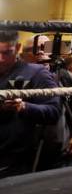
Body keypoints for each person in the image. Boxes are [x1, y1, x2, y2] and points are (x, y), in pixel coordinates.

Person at [0, 29, 62, 178]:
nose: (0, 59)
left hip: (15, 159)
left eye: (6, 53)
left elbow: (54, 111)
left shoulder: (36, 73)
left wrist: (24, 107)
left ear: (18, 48)